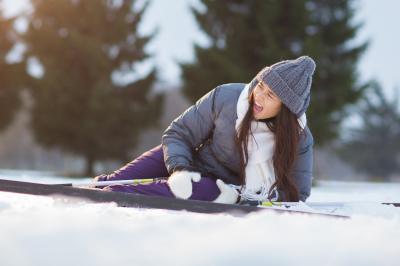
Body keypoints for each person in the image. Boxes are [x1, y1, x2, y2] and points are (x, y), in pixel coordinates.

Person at [93, 55, 316, 204]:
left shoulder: (299, 139)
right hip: (189, 162)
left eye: (270, 96)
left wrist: (240, 198)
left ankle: (111, 197)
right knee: (118, 178)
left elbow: (297, 193)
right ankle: (101, 187)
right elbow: (179, 133)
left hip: (223, 188)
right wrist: (180, 168)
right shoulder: (227, 98)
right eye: (260, 86)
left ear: (285, 108)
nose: (258, 96)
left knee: (187, 190)